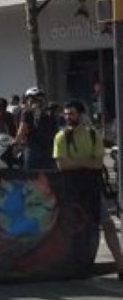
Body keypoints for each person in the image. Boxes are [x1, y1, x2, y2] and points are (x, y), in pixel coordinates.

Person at [54, 99, 123, 279]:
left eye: (73, 114)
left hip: (92, 187)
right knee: (72, 228)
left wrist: (76, 163)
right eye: (67, 114)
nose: (69, 118)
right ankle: (69, 268)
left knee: (107, 224)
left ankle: (120, 265)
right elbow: (62, 165)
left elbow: (98, 163)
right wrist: (86, 163)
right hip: (71, 189)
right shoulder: (61, 137)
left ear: (81, 114)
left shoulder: (93, 135)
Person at [15, 88, 57, 170]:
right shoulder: (49, 113)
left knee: (30, 176)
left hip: (32, 148)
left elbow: (21, 131)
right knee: (49, 176)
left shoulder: (27, 113)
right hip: (48, 148)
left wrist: (15, 144)